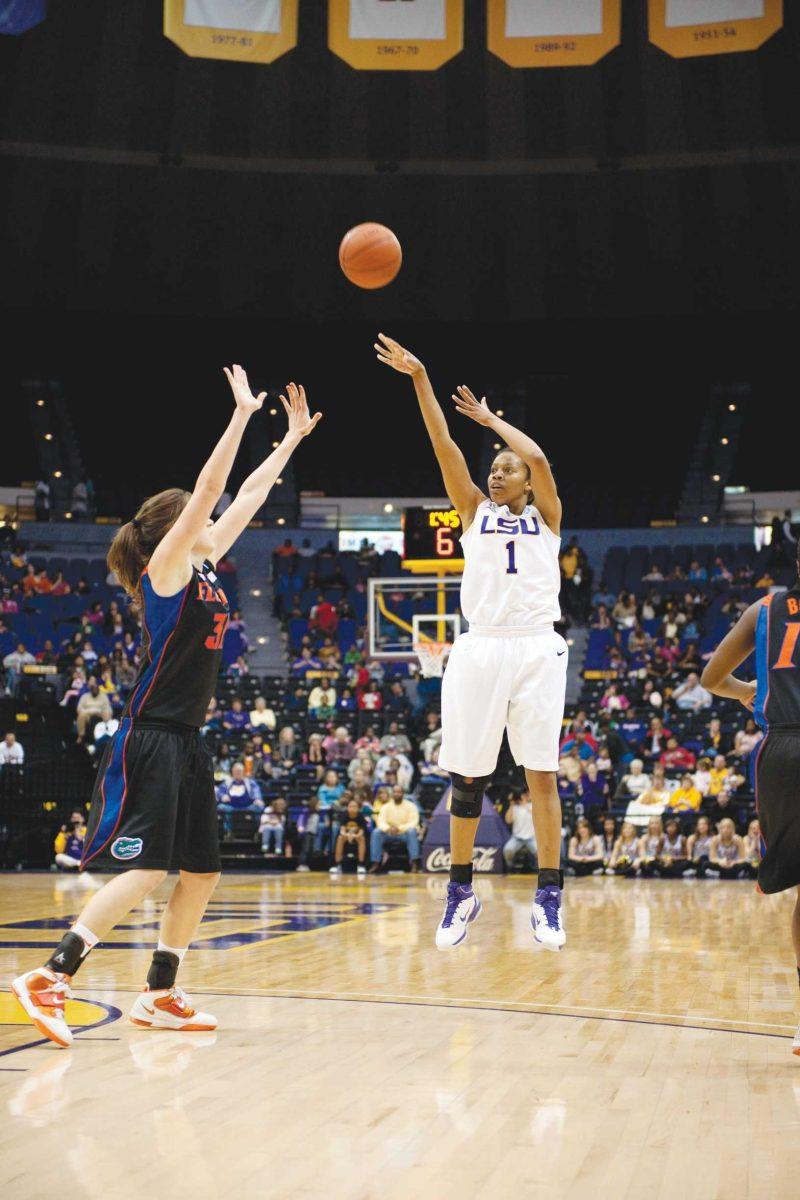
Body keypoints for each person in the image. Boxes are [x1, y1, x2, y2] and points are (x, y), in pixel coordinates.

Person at [10, 369, 321, 1048]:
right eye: (197, 518)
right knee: (148, 870)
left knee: (203, 871)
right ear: (175, 529)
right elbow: (212, 490)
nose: (211, 521)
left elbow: (247, 494)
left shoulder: (206, 563)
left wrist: (291, 440)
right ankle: (51, 976)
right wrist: (241, 416)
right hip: (149, 736)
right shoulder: (168, 568)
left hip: (188, 740)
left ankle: (159, 992)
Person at [376, 334, 567, 952]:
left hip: (537, 646)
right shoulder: (472, 512)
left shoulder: (547, 517)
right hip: (481, 646)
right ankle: (460, 891)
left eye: (507, 467)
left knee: (542, 776)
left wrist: (493, 420)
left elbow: (538, 456)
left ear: (528, 484)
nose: (498, 469)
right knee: (467, 778)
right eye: (495, 465)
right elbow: (442, 444)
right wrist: (421, 379)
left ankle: (549, 895)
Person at [369, 786, 421, 873]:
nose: (396, 794)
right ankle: (376, 863)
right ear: (392, 794)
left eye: (399, 792)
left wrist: (399, 828)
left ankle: (414, 863)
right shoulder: (386, 807)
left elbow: (414, 822)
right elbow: (380, 821)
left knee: (412, 831)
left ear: (403, 794)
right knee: (376, 832)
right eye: (395, 792)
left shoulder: (411, 806)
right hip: (389, 833)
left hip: (404, 834)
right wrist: (388, 828)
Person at [330, 797, 367, 877]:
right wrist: (348, 835)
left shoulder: (360, 816)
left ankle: (361, 865)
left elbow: (361, 832)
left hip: (357, 836)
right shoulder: (344, 815)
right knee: (340, 838)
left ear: (358, 808)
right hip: (346, 836)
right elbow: (342, 831)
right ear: (347, 807)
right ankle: (337, 864)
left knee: (362, 839)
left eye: (354, 806)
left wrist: (354, 836)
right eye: (350, 806)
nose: (352, 808)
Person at [503, 790, 538, 871]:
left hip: (532, 837)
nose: (525, 796)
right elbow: (508, 820)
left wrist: (524, 804)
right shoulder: (515, 808)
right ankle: (510, 868)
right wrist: (511, 804)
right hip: (517, 837)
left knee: (539, 852)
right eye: (524, 794)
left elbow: (536, 817)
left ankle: (538, 869)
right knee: (508, 850)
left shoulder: (533, 806)